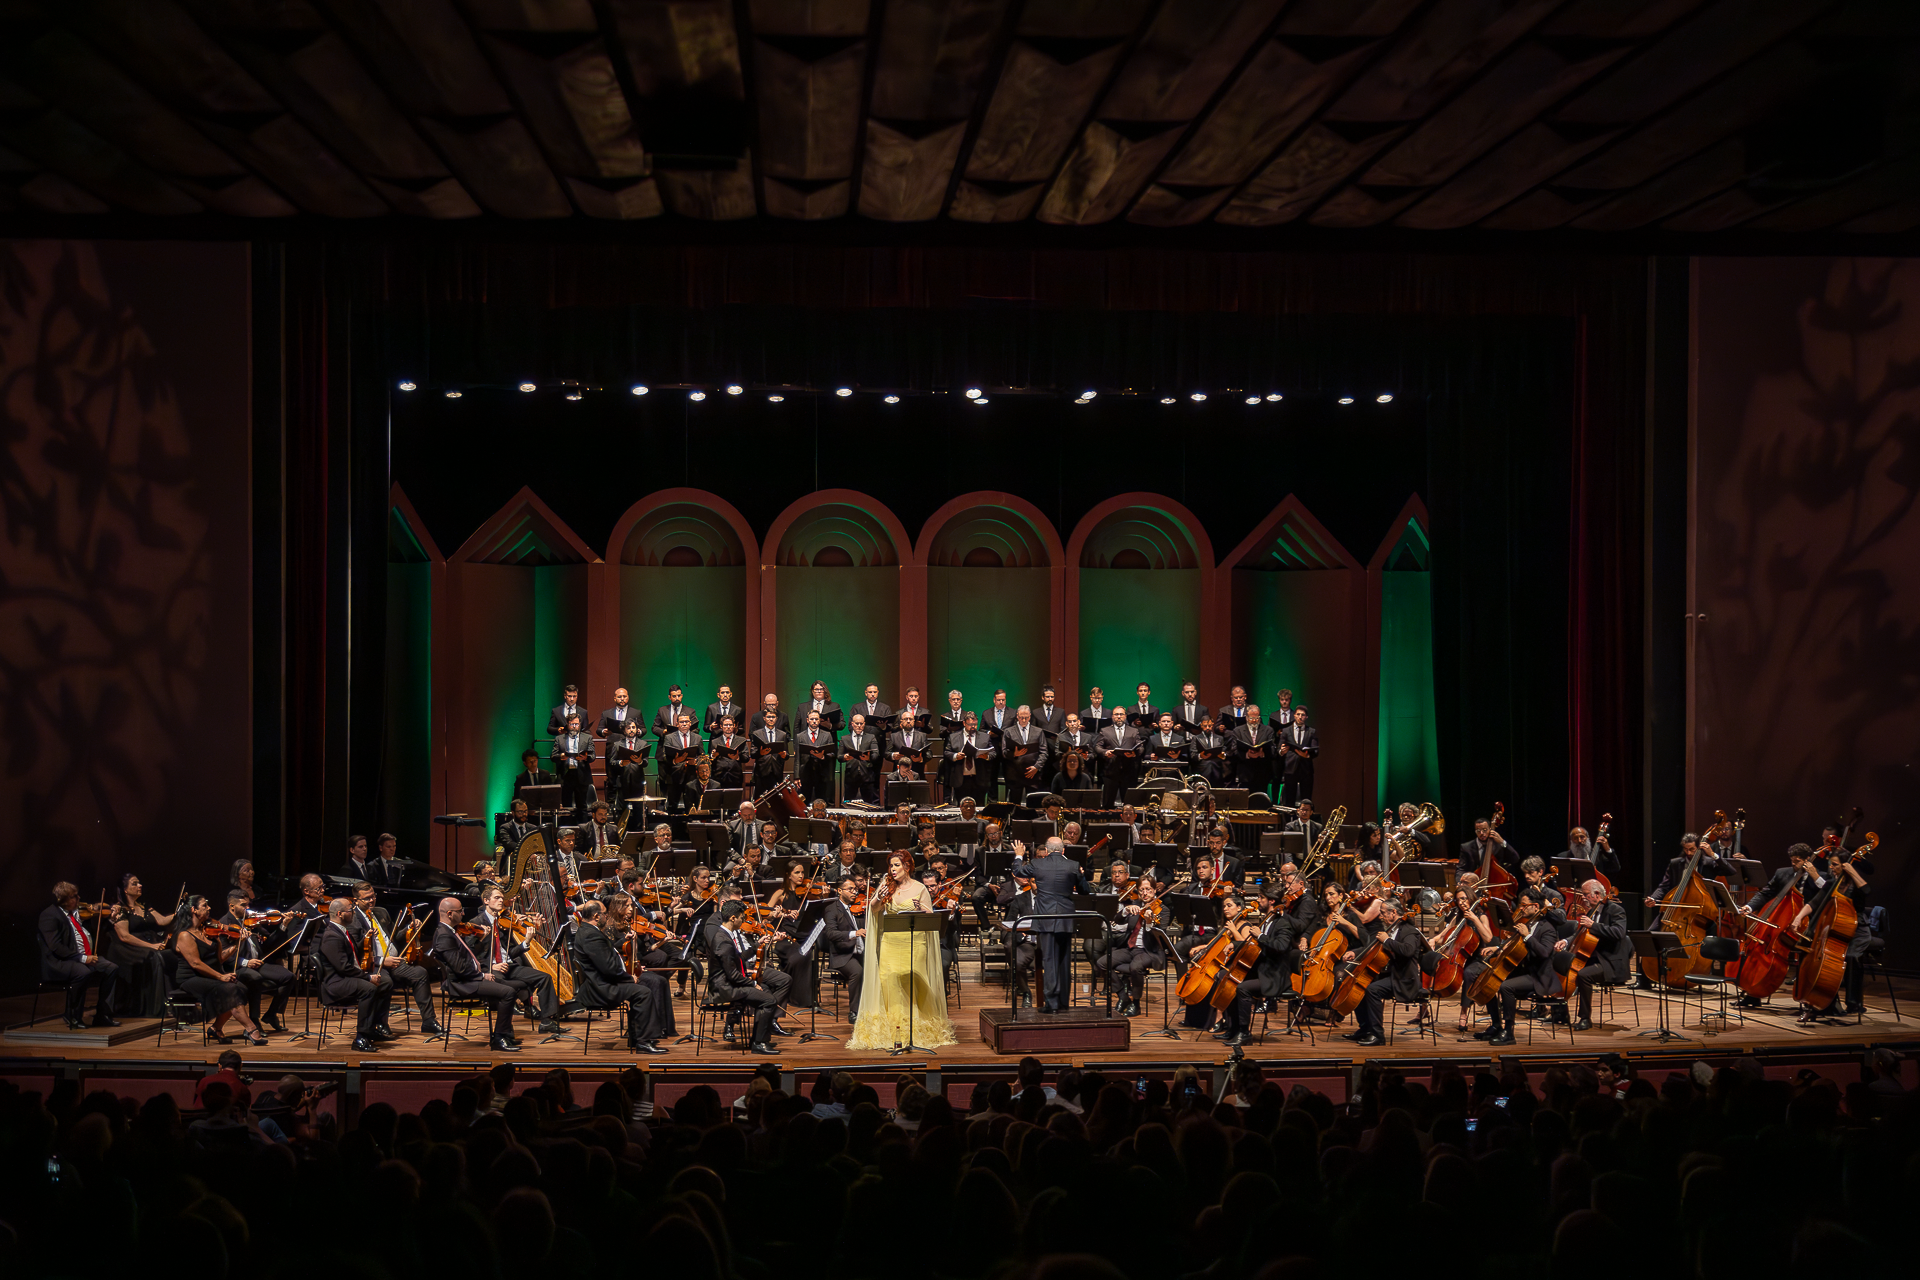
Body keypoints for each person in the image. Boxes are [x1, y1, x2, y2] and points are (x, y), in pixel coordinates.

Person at [848, 852, 957, 1048]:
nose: (892, 869)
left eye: (896, 865)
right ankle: (895, 1031)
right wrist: (879, 899)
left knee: (911, 981)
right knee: (890, 981)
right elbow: (872, 910)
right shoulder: (886, 886)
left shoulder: (920, 888)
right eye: (891, 866)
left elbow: (930, 915)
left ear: (907, 866)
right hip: (891, 941)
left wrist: (920, 910)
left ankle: (914, 1030)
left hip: (914, 942)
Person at [572, 900, 669, 1053]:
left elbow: (607, 954)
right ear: (597, 916)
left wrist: (624, 940)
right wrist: (630, 978)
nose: (607, 916)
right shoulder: (591, 935)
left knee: (648, 983)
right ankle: (643, 1042)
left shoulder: (587, 930)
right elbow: (608, 968)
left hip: (600, 982)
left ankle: (636, 1037)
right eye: (605, 913)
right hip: (601, 988)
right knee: (643, 992)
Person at [349, 883, 442, 1035]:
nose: (372, 901)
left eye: (373, 896)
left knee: (420, 973)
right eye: (367, 899)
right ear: (356, 900)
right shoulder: (353, 920)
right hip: (373, 964)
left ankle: (429, 1021)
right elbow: (355, 951)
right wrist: (381, 961)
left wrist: (409, 929)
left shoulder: (380, 912)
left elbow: (394, 938)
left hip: (394, 961)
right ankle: (380, 1024)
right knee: (384, 981)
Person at [430, 897, 522, 1052]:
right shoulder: (444, 935)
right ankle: (499, 1037)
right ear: (450, 914)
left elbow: (469, 957)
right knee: (508, 992)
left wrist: (480, 940)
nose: (464, 913)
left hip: (468, 978)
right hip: (461, 984)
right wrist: (482, 976)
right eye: (460, 911)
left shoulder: (451, 931)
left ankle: (505, 1034)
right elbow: (459, 968)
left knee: (513, 986)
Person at [469, 885, 563, 1032]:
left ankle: (547, 1021)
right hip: (490, 968)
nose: (501, 900)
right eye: (497, 898)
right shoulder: (476, 922)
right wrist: (491, 966)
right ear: (486, 900)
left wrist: (526, 941)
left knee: (545, 977)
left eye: (502, 898)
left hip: (508, 965)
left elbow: (510, 952)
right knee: (505, 984)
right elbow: (469, 953)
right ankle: (506, 1029)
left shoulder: (503, 922)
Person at [174, 894, 263, 1045]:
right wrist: (221, 977)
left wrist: (236, 945)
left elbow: (219, 959)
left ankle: (216, 1028)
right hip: (191, 978)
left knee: (240, 987)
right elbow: (196, 964)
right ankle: (251, 1029)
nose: (209, 908)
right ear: (193, 910)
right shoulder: (185, 935)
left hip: (208, 976)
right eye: (204, 906)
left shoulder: (209, 932)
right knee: (230, 989)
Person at [1020, 837, 1091, 1013]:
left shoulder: (1038, 864)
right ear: (1063, 850)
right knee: (1064, 961)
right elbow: (1085, 891)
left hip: (1046, 919)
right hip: (1066, 918)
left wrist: (1018, 855)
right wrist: (1080, 874)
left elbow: (1017, 871)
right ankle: (1063, 1002)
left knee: (1049, 960)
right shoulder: (1073, 865)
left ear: (1047, 851)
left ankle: (1051, 1003)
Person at [710, 901, 790, 1055]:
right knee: (769, 1000)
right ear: (733, 918)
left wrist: (756, 946)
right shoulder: (723, 941)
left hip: (729, 983)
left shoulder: (725, 935)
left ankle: (759, 1041)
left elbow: (739, 958)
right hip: (724, 988)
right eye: (742, 917)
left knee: (766, 994)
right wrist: (753, 984)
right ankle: (759, 1043)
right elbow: (732, 974)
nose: (743, 920)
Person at [38, 882, 121, 1029]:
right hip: (60, 962)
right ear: (63, 900)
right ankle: (72, 1014)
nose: (79, 898)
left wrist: (104, 911)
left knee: (111, 968)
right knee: (83, 972)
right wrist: (82, 958)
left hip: (83, 957)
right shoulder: (49, 915)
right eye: (74, 897)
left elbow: (91, 915)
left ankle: (103, 1015)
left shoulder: (75, 912)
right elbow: (55, 946)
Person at [1092, 870, 1170, 1016]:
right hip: (1130, 948)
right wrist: (1125, 911)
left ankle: (1136, 1004)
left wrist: (1148, 923)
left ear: (1154, 890)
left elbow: (1160, 935)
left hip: (1149, 951)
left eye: (1148, 889)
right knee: (1102, 962)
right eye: (1141, 890)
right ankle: (1123, 996)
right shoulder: (1135, 904)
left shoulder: (1163, 910)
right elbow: (1117, 920)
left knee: (1135, 967)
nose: (1145, 893)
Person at [1351, 896, 1426, 1048]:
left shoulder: (1410, 930)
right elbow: (1373, 947)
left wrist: (1387, 941)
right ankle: (1365, 1028)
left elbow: (1408, 950)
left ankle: (1378, 1035)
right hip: (1391, 975)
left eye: (1383, 913)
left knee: (1372, 990)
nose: (1381, 916)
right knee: (1358, 985)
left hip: (1404, 979)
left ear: (1393, 913)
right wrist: (1355, 952)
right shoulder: (1390, 929)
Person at [219, 892, 293, 1032]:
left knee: (289, 977)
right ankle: (254, 1020)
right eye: (243, 905)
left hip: (257, 964)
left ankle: (271, 1014)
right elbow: (224, 956)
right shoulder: (224, 924)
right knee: (255, 978)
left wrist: (283, 925)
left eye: (248, 905)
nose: (248, 908)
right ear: (232, 906)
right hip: (237, 966)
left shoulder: (251, 921)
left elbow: (269, 944)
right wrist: (247, 962)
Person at [107, 873, 175, 1018]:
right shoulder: (120, 909)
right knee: (156, 956)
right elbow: (124, 936)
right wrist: (151, 946)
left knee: (170, 954)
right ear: (125, 889)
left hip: (148, 943)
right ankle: (159, 1006)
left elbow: (162, 920)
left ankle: (173, 1002)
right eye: (135, 883)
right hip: (127, 948)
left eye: (139, 883)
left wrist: (179, 913)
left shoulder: (145, 906)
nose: (140, 885)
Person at [1569, 879, 1630, 1030]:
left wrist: (1593, 925)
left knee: (1583, 975)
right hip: (1595, 958)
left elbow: (1619, 933)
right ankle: (1559, 1013)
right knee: (1564, 965)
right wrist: (1565, 941)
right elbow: (1581, 933)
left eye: (1585, 894)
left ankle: (1585, 1018)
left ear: (1596, 894)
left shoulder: (1615, 910)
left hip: (1611, 962)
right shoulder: (1593, 910)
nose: (1582, 898)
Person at [821, 876, 866, 1020]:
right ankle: (854, 1011)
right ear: (840, 891)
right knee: (857, 972)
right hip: (842, 955)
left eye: (855, 889)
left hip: (859, 951)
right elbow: (831, 933)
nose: (854, 892)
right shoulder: (832, 909)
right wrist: (854, 933)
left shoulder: (856, 907)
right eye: (850, 889)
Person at [551, 715, 597, 816]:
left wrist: (585, 757)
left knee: (582, 806)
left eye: (576, 724)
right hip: (565, 775)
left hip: (582, 775)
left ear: (579, 724)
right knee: (565, 806)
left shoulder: (587, 737)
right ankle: (566, 828)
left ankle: (582, 828)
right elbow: (553, 756)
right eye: (572, 724)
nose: (574, 726)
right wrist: (561, 756)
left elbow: (593, 756)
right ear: (567, 724)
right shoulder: (560, 738)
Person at [1096, 707, 1142, 808]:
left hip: (1128, 771)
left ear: (1125, 716)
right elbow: (1097, 746)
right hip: (1110, 771)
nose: (1119, 717)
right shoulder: (1105, 731)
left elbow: (1140, 746)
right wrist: (1105, 752)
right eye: (1116, 715)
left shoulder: (1134, 731)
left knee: (1129, 804)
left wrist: (1135, 753)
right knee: (1107, 804)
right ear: (1112, 717)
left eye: (1121, 714)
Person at [1002, 705, 1049, 802]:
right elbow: (1004, 752)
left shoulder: (1038, 732)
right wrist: (1014, 754)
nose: (1023, 720)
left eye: (1026, 717)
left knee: (1033, 805)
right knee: (1014, 806)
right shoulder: (1008, 732)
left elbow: (1044, 752)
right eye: (1021, 717)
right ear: (1017, 716)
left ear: (1030, 716)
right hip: (1015, 774)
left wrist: (1036, 767)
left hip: (1032, 774)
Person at [1276, 705, 1318, 806]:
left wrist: (1306, 755)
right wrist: (1282, 751)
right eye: (1298, 714)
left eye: (1303, 715)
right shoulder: (1286, 731)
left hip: (1306, 769)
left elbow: (1315, 750)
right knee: (1289, 800)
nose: (1300, 717)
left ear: (1306, 717)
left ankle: (1305, 821)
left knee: (1306, 799)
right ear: (1294, 715)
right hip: (1290, 768)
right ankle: (1289, 821)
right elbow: (1278, 749)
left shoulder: (1311, 731)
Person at [795, 710, 836, 803]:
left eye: (816, 719)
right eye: (812, 719)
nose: (814, 721)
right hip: (805, 773)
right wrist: (796, 777)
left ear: (819, 720)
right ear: (807, 720)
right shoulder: (800, 736)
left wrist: (822, 757)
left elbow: (832, 754)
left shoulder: (827, 735)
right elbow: (797, 758)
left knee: (821, 801)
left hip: (821, 774)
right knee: (804, 801)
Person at [840, 712, 881, 803]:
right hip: (851, 776)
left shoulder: (871, 737)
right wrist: (845, 757)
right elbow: (839, 756)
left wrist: (868, 758)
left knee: (870, 804)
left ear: (864, 724)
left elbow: (876, 754)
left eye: (861, 724)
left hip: (867, 775)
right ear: (852, 724)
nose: (859, 726)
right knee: (849, 803)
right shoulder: (845, 738)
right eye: (857, 723)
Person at [750, 707, 791, 797]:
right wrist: (761, 753)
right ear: (764, 718)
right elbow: (752, 753)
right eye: (769, 717)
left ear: (776, 718)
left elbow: (787, 754)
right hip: (761, 771)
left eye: (773, 717)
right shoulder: (757, 733)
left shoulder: (782, 734)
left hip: (777, 771)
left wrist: (784, 755)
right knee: (760, 800)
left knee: (776, 800)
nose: (771, 719)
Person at [608, 722, 649, 809]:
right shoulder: (617, 744)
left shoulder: (643, 744)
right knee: (622, 810)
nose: (631, 730)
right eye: (628, 728)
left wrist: (640, 761)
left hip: (637, 782)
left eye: (633, 727)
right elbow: (612, 762)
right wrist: (621, 763)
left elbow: (646, 762)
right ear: (624, 730)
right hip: (623, 782)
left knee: (638, 810)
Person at [708, 715, 747, 789]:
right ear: (721, 726)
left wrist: (737, 757)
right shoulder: (714, 742)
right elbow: (710, 759)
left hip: (735, 776)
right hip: (719, 776)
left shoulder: (741, 740)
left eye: (730, 725)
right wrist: (713, 756)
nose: (728, 727)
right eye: (726, 725)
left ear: (734, 726)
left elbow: (746, 757)